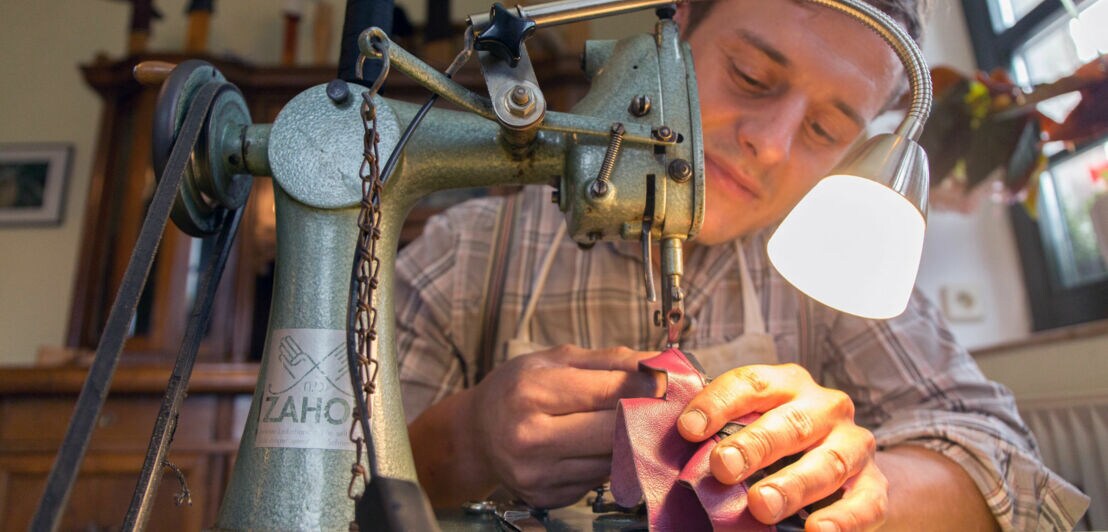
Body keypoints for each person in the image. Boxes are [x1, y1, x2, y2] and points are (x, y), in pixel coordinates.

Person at [395, 0, 1090, 529]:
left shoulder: (831, 260)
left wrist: (856, 484)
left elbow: (1013, 469)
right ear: (678, 31)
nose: (773, 145)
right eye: (751, 76)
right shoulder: (469, 254)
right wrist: (467, 440)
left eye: (825, 130)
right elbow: (319, 484)